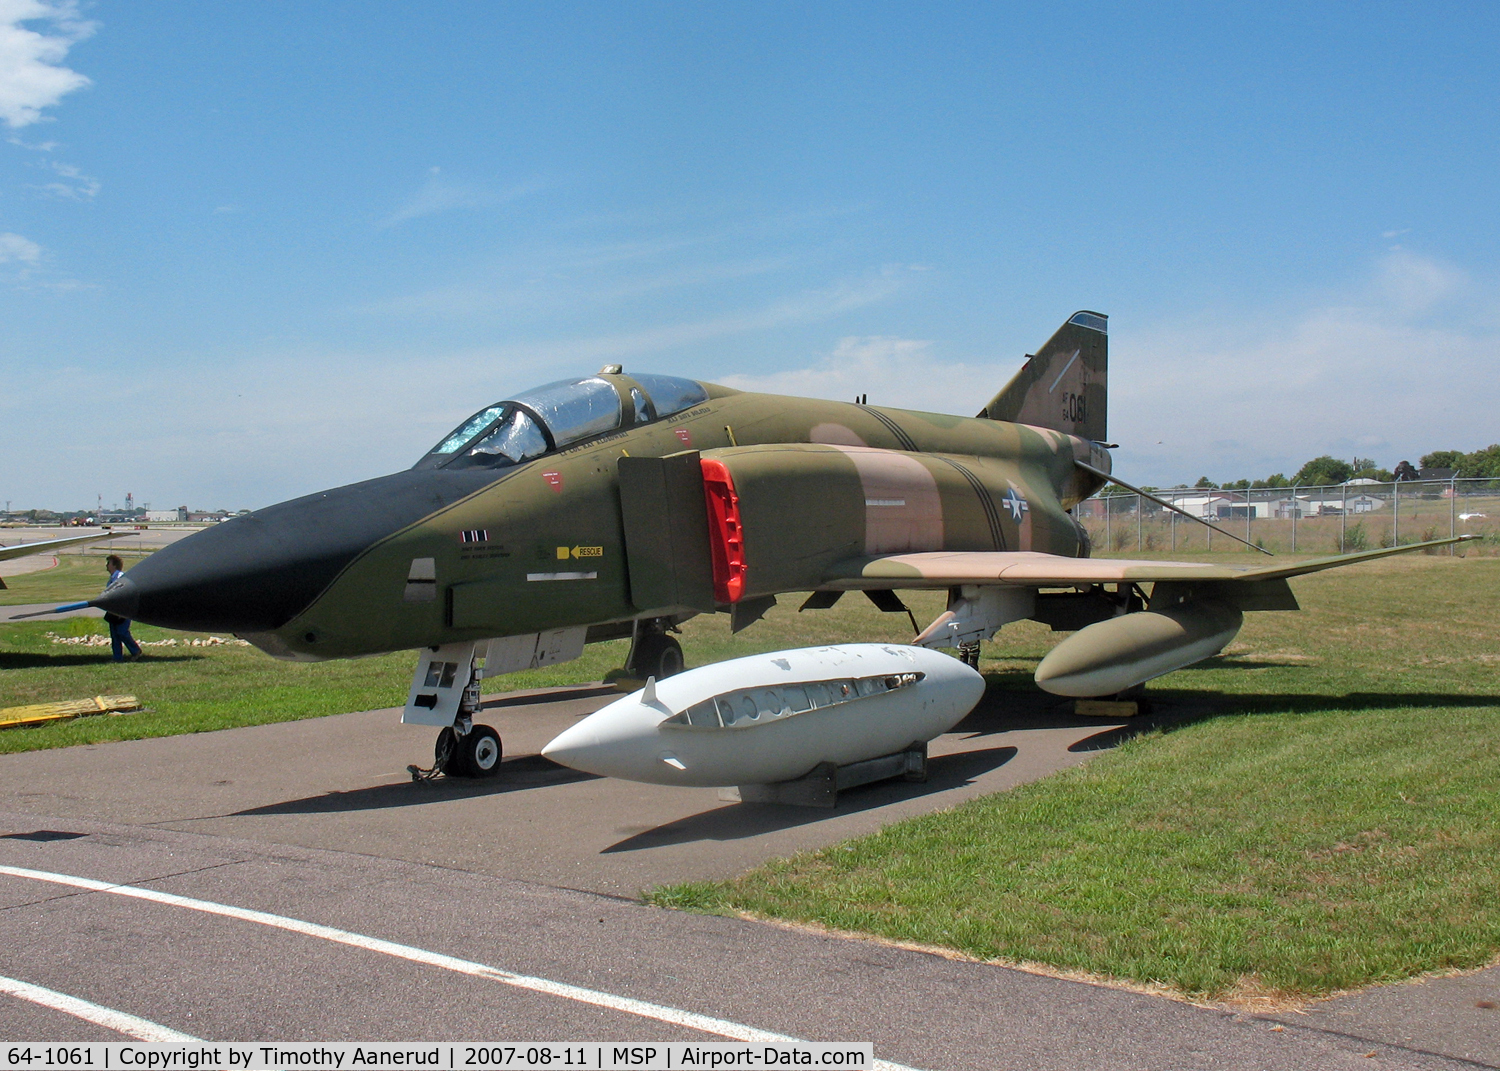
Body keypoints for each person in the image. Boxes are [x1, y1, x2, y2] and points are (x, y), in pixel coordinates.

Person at [103, 554, 141, 662]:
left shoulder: (120, 577)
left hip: (122, 610)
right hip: (113, 611)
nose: (106, 565)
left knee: (122, 632)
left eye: (108, 563)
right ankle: (117, 657)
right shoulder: (111, 579)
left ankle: (135, 650)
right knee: (115, 635)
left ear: (114, 565)